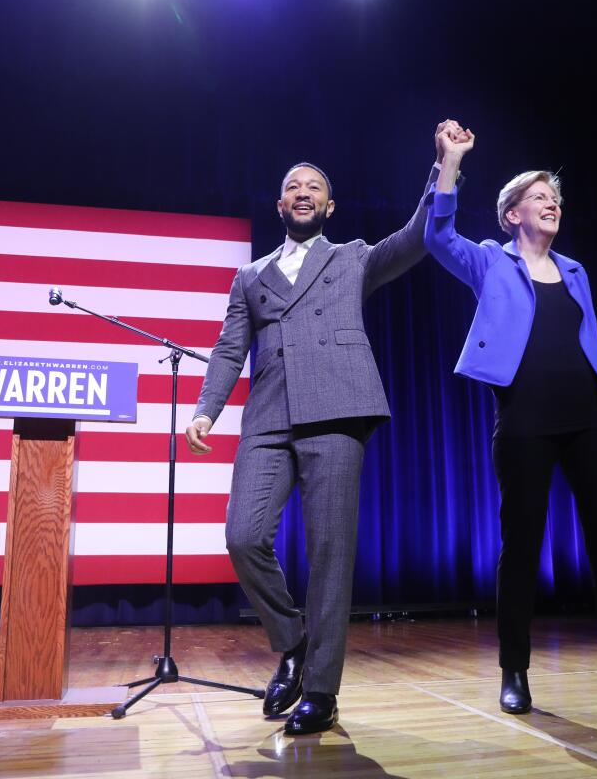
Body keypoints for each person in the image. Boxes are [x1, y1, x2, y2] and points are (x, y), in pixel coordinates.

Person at [185, 121, 463, 735]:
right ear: (279, 204)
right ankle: (293, 638)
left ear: (329, 205)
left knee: (331, 553)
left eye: (314, 186)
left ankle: (321, 690)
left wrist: (445, 165)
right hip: (268, 417)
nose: (303, 192)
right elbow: (230, 349)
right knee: (242, 535)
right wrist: (206, 407)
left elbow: (418, 237)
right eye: (293, 186)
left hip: (337, 409)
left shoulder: (352, 258)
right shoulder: (251, 276)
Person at [424, 128, 597, 730]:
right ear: (513, 214)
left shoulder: (578, 270)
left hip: (588, 419)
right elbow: (436, 235)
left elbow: (588, 349)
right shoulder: (490, 259)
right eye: (539, 196)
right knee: (522, 549)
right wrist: (450, 163)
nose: (551, 201)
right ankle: (514, 670)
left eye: (555, 195)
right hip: (524, 420)